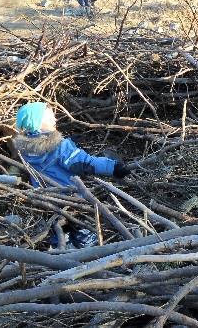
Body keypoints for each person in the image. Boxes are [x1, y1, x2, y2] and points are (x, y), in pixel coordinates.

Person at [13, 102, 133, 247]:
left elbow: (50, 160)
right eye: (50, 118)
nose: (55, 120)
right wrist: (113, 167)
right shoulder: (60, 146)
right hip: (72, 199)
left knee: (60, 230)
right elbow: (85, 163)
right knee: (84, 228)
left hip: (46, 200)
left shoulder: (25, 150)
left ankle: (61, 249)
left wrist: (70, 143)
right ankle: (87, 251)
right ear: (36, 124)